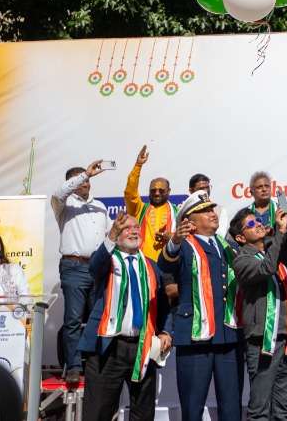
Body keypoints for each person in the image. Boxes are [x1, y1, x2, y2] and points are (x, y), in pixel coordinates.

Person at [79, 214, 171, 421]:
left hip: (142, 346)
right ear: (116, 235)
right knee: (98, 412)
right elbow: (94, 266)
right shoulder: (107, 261)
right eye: (126, 228)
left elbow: (164, 302)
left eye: (136, 227)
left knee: (143, 412)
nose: (133, 231)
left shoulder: (151, 266)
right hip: (109, 347)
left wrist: (166, 330)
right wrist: (110, 235)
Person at [161, 194, 241, 421]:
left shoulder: (227, 245)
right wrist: (175, 241)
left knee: (231, 405)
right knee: (193, 405)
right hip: (195, 336)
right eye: (205, 211)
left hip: (226, 334)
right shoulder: (184, 246)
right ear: (191, 222)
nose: (213, 214)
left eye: (212, 210)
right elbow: (165, 264)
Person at [230, 204, 287, 421]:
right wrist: (280, 233)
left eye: (257, 220)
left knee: (282, 405)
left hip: (283, 337)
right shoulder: (241, 260)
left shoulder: (272, 251)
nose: (257, 224)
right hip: (261, 340)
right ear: (240, 238)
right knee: (260, 408)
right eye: (250, 223)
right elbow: (267, 268)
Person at [52, 160, 113, 383]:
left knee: (98, 317)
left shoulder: (101, 206)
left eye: (86, 180)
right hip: (74, 267)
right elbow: (59, 192)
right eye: (80, 179)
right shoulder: (63, 204)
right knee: (73, 320)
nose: (85, 182)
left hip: (98, 267)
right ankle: (74, 366)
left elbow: (110, 235)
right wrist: (86, 173)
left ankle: (95, 363)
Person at [122, 146, 174, 260]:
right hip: (145, 264)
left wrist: (173, 237)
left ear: (169, 191)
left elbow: (187, 238)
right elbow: (130, 193)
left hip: (169, 265)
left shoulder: (177, 212)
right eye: (153, 190)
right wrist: (138, 166)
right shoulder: (140, 209)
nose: (157, 193)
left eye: (161, 190)